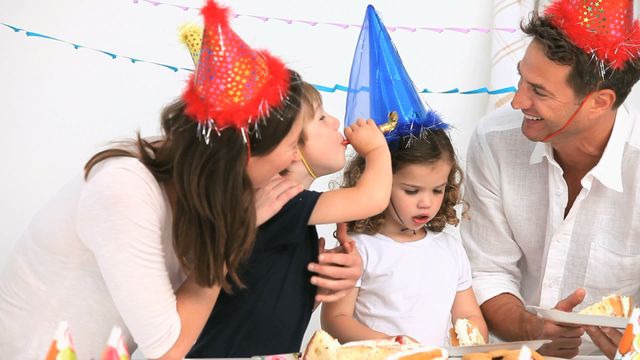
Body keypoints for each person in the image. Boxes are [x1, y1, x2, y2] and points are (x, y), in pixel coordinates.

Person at [0, 1, 350, 358]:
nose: (296, 157)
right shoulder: (124, 191)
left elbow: (221, 303)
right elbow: (168, 347)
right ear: (239, 157)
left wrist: (322, 278)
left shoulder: (209, 188)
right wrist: (235, 234)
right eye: (293, 145)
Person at [460, 0, 640, 358]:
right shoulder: (493, 139)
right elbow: (485, 269)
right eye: (521, 80)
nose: (517, 101)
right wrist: (531, 329)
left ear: (600, 102)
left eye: (538, 91)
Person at [320, 4, 487, 347]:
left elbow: (469, 316)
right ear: (378, 180)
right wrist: (390, 343)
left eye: (438, 189)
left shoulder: (448, 249)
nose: (427, 202)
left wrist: (473, 341)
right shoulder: (360, 249)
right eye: (411, 190)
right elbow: (336, 320)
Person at [187, 80, 392, 357]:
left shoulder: (291, 213)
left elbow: (270, 302)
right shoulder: (283, 202)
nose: (334, 122)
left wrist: (317, 283)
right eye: (321, 117)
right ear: (291, 148)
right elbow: (372, 199)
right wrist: (377, 150)